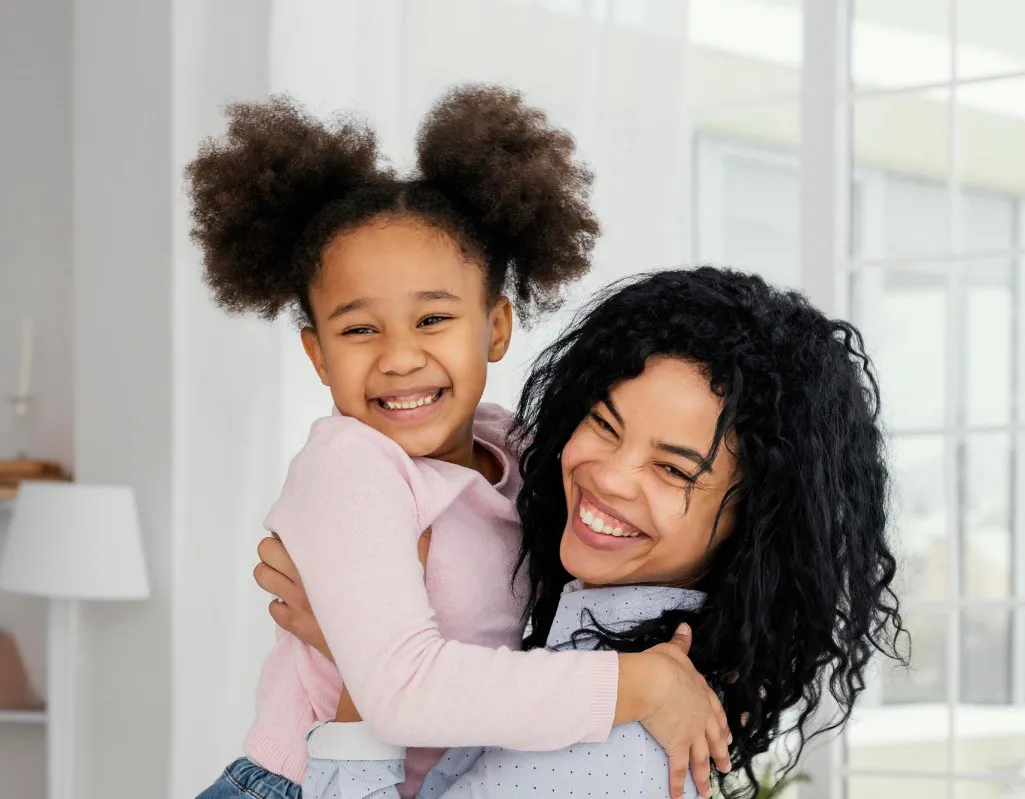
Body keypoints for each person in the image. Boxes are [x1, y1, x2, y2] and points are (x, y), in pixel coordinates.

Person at [187, 87, 730, 799]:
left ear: (496, 328)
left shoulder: (513, 447)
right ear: (317, 356)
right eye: (358, 329)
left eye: (433, 319)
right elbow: (403, 691)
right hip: (296, 783)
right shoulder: (352, 464)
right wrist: (639, 682)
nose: (399, 356)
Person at [259, 267, 908, 798]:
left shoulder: (624, 736)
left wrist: (359, 670)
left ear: (755, 526)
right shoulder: (575, 642)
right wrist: (366, 605)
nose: (609, 476)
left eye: (673, 468)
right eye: (601, 424)